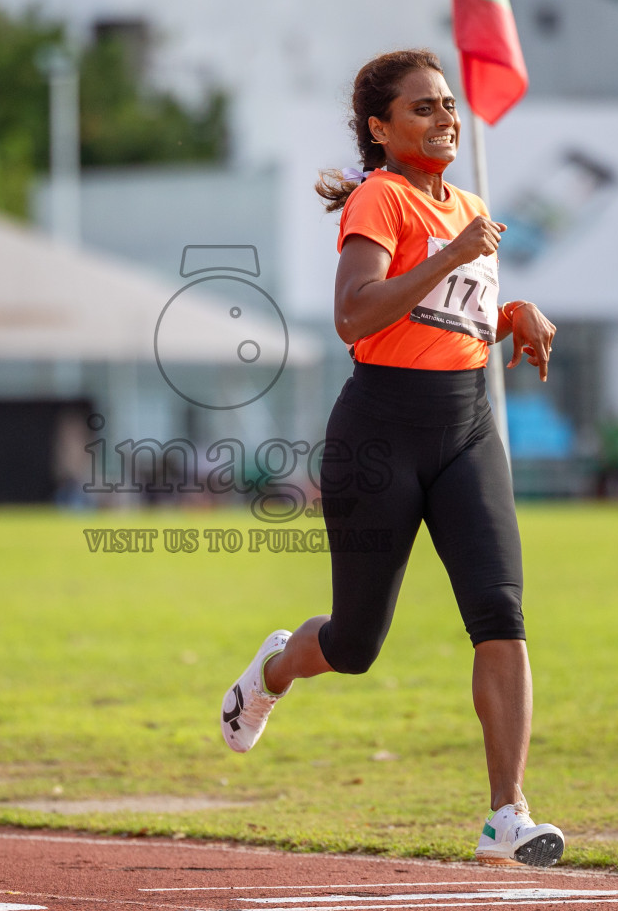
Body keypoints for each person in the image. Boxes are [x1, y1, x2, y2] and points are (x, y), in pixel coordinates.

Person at [218, 50, 565, 866]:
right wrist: (450, 252)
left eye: (448, 105)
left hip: (468, 430)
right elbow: (354, 314)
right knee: (355, 644)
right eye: (423, 108)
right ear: (381, 130)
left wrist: (514, 311)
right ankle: (273, 670)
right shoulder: (382, 197)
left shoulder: (471, 205)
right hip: (380, 434)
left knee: (501, 614)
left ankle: (507, 815)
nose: (445, 117)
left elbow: (457, 318)